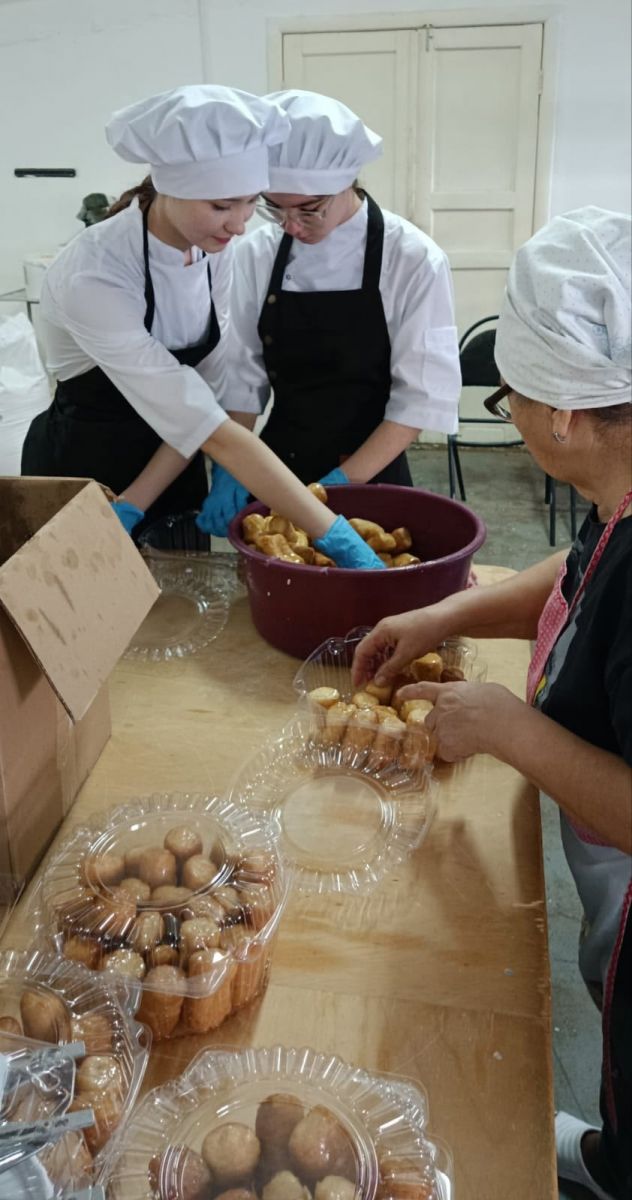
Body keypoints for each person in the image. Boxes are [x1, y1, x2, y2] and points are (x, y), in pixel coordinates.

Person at [352, 208, 632, 1200]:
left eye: (509, 394)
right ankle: (608, 1155)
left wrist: (505, 727)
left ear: (561, 414)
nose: (506, 413)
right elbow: (584, 567)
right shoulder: (619, 493)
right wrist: (447, 612)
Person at [20, 85, 384, 571]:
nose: (239, 225)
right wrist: (332, 533)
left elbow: (202, 399)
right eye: (221, 205)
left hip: (174, 461)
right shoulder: (96, 275)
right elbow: (201, 421)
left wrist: (138, 501)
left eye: (250, 202)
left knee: (184, 609)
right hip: (87, 466)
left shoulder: (213, 249)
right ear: (169, 188)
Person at [197, 89, 461, 536]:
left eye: (310, 210)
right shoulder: (258, 253)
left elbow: (420, 399)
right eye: (274, 208)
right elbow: (242, 374)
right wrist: (232, 466)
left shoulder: (411, 258)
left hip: (370, 473)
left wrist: (337, 485)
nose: (292, 226)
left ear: (347, 183)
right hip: (276, 468)